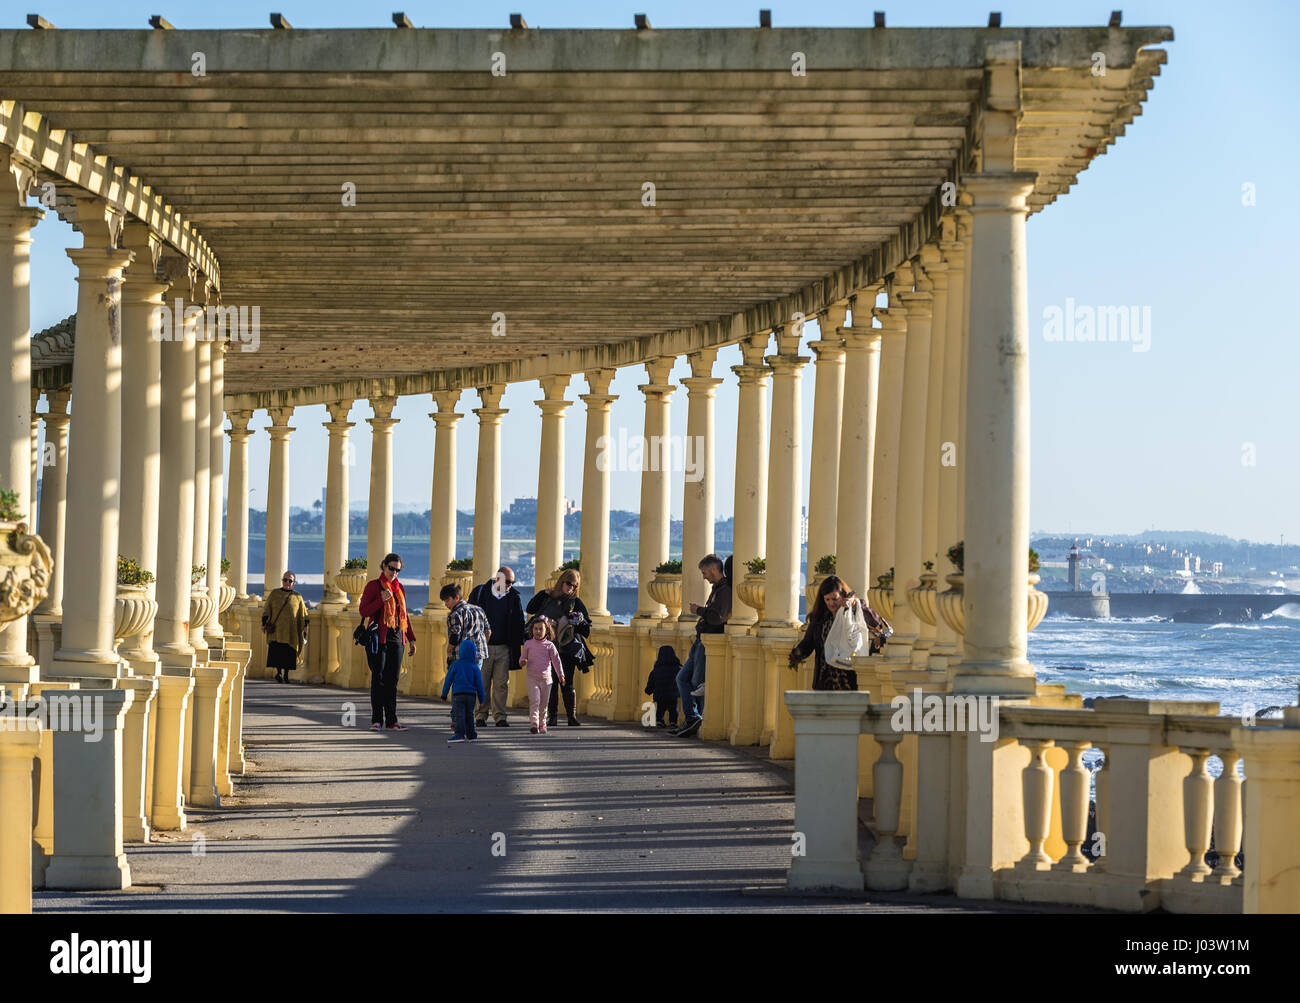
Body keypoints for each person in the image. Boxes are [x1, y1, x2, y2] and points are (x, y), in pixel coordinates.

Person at [788, 574, 886, 690]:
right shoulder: (819, 619)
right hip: (824, 683)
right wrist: (798, 652)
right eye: (827, 599)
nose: (831, 603)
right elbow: (808, 642)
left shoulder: (853, 612)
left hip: (849, 681)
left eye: (835, 599)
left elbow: (876, 623)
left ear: (843, 596)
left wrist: (854, 605)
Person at [673, 554, 732, 737]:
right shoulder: (718, 589)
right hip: (701, 641)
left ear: (714, 569)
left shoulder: (724, 591)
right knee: (683, 679)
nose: (704, 576)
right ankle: (693, 717)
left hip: (708, 641)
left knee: (695, 683)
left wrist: (698, 610)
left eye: (704, 572)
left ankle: (695, 718)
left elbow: (717, 617)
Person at [525, 568, 593, 727]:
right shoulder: (547, 598)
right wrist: (543, 593)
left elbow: (587, 629)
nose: (571, 588)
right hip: (546, 648)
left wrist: (578, 621)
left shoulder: (576, 602)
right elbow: (530, 609)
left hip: (566, 648)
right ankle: (552, 717)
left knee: (567, 682)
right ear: (562, 582)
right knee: (551, 682)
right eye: (569, 584)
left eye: (575, 586)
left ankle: (571, 717)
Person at [358, 553, 417, 731]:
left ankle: (392, 721)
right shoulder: (373, 586)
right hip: (379, 639)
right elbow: (363, 611)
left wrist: (411, 639)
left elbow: (404, 615)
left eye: (397, 570)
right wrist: (380, 600)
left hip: (397, 638)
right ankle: (377, 720)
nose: (394, 573)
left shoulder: (400, 589)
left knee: (393, 680)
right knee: (379, 679)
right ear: (383, 566)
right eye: (391, 568)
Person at [467, 566, 525, 728]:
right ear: (498, 578)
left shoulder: (513, 597)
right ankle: (480, 715)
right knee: (482, 683)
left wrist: (522, 644)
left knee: (501, 684)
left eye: (512, 582)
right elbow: (470, 617)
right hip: (483, 647)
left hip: (504, 647)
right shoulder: (481, 593)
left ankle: (500, 717)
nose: (510, 585)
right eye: (507, 582)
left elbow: (519, 622)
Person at [443, 582, 491, 716]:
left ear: (456, 597)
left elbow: (455, 636)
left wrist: (448, 650)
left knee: (459, 687)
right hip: (478, 655)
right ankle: (469, 716)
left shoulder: (455, 614)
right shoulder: (479, 610)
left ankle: (457, 717)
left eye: (447, 600)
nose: (446, 604)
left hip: (460, 656)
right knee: (472, 687)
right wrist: (480, 646)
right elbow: (488, 632)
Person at [261, 570, 309, 683]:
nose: (287, 582)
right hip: (277, 630)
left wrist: (305, 626)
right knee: (277, 652)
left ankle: (286, 675)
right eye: (285, 580)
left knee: (289, 653)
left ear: (293, 583)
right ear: (282, 581)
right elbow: (267, 610)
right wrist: (263, 624)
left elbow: (304, 614)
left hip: (291, 631)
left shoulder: (297, 597)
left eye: (290, 580)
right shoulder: (274, 594)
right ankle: (278, 673)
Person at [520, 615, 564, 734]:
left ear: (547, 631)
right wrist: (522, 662)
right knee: (535, 701)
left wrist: (561, 675)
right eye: (535, 629)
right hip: (532, 678)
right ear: (532, 630)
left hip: (546, 680)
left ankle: (542, 724)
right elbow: (523, 657)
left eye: (541, 629)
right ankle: (534, 723)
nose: (538, 631)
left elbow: (556, 661)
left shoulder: (550, 645)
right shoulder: (528, 644)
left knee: (544, 704)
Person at [441, 638, 487, 744]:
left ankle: (459, 734)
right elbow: (479, 685)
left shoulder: (455, 665)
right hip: (471, 696)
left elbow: (448, 681)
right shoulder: (475, 668)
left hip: (458, 695)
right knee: (469, 715)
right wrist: (482, 699)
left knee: (459, 715)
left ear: (460, 652)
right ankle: (472, 735)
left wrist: (444, 695)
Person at [646, 644, 682, 729]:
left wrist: (648, 690)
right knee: (673, 709)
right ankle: (673, 722)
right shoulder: (678, 669)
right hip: (673, 694)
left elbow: (651, 683)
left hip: (660, 695)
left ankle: (660, 721)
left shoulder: (656, 670)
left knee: (660, 709)